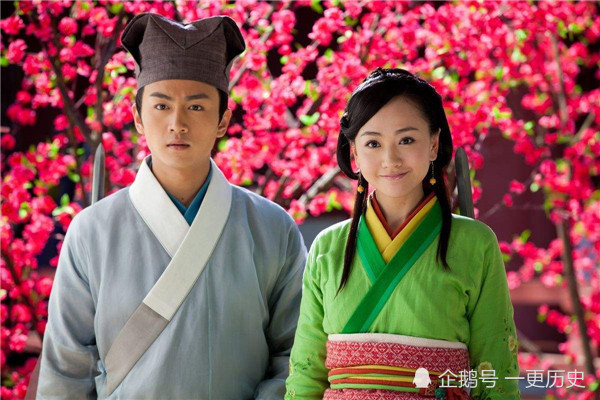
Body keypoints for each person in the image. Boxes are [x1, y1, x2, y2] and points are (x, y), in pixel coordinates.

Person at [35, 13, 306, 399]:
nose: (177, 123)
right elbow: (66, 369)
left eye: (196, 107)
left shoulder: (272, 227)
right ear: (137, 117)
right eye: (161, 106)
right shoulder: (92, 230)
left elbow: (295, 356)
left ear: (223, 119)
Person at [285, 68, 520, 399]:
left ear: (434, 144)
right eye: (373, 143)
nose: (390, 159)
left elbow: (495, 376)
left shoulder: (476, 243)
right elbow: (306, 375)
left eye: (406, 140)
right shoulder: (328, 246)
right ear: (354, 152)